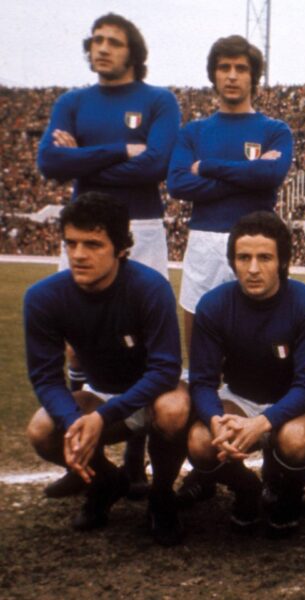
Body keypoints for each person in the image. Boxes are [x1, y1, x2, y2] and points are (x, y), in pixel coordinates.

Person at [36, 12, 181, 499]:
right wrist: (122, 149)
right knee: (77, 338)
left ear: (132, 51)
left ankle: (137, 455)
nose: (102, 48)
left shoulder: (158, 100)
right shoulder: (72, 102)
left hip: (141, 226)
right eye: (96, 40)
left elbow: (156, 165)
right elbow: (48, 162)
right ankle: (83, 453)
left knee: (143, 340)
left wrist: (82, 158)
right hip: (83, 228)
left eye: (114, 42)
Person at [167, 34, 292, 507]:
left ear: (254, 76)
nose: (233, 75)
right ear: (214, 74)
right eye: (224, 67)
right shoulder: (193, 130)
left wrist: (209, 170)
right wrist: (242, 174)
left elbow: (270, 177)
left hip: (257, 244)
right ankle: (211, 468)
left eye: (241, 67)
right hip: (204, 244)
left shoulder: (274, 129)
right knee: (201, 362)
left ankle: (271, 462)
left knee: (263, 354)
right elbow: (178, 183)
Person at [23, 192, 188, 546]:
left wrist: (103, 417)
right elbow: (45, 377)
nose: (79, 255)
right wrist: (74, 420)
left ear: (121, 248)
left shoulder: (150, 288)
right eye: (71, 243)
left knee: (175, 409)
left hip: (152, 394)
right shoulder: (42, 298)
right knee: (41, 430)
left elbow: (165, 369)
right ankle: (106, 481)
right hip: (99, 394)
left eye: (93, 244)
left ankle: (162, 495)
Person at [186, 212, 305, 538]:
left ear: (282, 261)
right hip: (239, 397)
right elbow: (202, 382)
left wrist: (261, 424)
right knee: (201, 441)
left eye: (264, 257)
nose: (252, 268)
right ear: (232, 261)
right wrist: (215, 421)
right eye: (243, 257)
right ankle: (246, 488)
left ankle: (288, 493)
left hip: (295, 398)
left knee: (295, 439)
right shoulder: (213, 305)